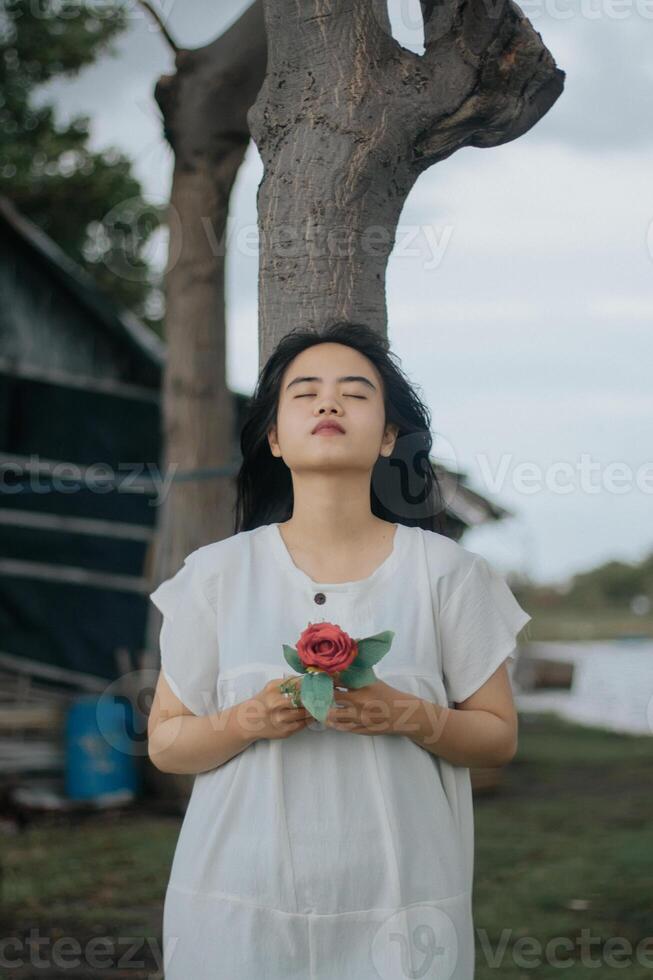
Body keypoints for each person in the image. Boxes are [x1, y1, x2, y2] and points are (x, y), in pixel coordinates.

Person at [147, 320, 531, 980]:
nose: (328, 404)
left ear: (387, 435)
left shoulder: (447, 574)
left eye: (354, 393)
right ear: (273, 435)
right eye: (305, 393)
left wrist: (407, 715)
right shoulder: (214, 576)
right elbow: (165, 742)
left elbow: (496, 738)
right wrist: (243, 721)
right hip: (237, 905)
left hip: (403, 911)